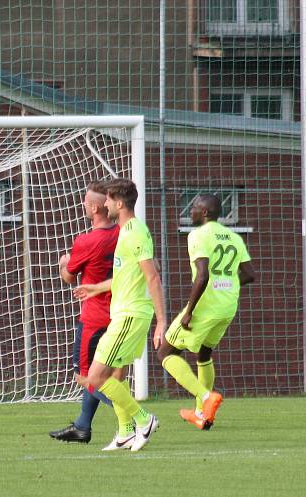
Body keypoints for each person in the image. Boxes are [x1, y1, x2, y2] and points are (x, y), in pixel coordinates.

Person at [76, 178, 166, 452]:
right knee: (114, 377)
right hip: (122, 314)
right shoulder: (126, 231)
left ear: (119, 203)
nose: (104, 204)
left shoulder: (136, 232)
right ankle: (126, 431)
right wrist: (96, 287)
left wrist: (162, 321)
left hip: (130, 315)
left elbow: (152, 276)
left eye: (108, 200)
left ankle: (144, 420)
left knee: (95, 377)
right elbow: (127, 276)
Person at [155, 194, 255, 430]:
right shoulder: (233, 237)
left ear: (206, 213)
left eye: (195, 207)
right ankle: (203, 414)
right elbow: (250, 274)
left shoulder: (198, 235)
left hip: (206, 306)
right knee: (204, 354)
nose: (191, 211)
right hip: (228, 305)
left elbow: (203, 275)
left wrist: (189, 311)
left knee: (165, 352)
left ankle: (206, 396)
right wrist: (227, 285)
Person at [49, 181, 119, 444]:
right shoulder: (122, 233)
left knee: (86, 377)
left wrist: (64, 263)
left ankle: (137, 417)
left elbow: (69, 277)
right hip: (117, 315)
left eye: (85, 202)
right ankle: (82, 427)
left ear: (94, 207)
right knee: (101, 375)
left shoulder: (87, 240)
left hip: (93, 318)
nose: (83, 205)